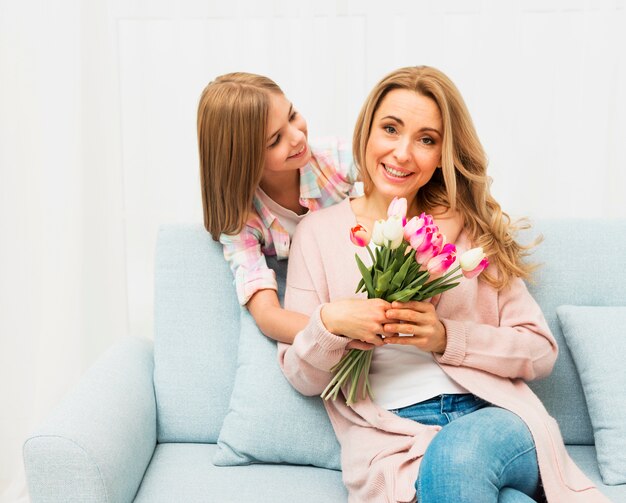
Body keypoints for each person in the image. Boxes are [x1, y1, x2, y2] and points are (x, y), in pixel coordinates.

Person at [278, 66, 609, 502]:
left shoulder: (468, 229)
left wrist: (445, 337)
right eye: (390, 129)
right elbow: (302, 377)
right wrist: (330, 322)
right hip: (396, 445)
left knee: (455, 458)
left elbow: (539, 350)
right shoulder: (317, 233)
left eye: (426, 139)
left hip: (495, 420)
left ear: (441, 154)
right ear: (366, 132)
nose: (402, 153)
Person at [198, 72, 366, 344]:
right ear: (245, 159)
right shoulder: (242, 221)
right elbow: (267, 315)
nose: (298, 136)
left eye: (292, 115)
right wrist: (338, 331)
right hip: (326, 313)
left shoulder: (334, 159)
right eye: (275, 140)